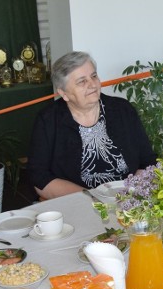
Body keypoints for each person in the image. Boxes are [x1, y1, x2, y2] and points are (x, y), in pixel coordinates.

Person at [28, 51, 156, 199]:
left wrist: (132, 194)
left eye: (94, 76)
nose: (92, 84)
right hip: (78, 202)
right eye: (82, 81)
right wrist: (91, 198)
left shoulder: (122, 110)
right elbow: (39, 176)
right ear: (64, 93)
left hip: (128, 198)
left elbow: (147, 161)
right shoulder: (48, 120)